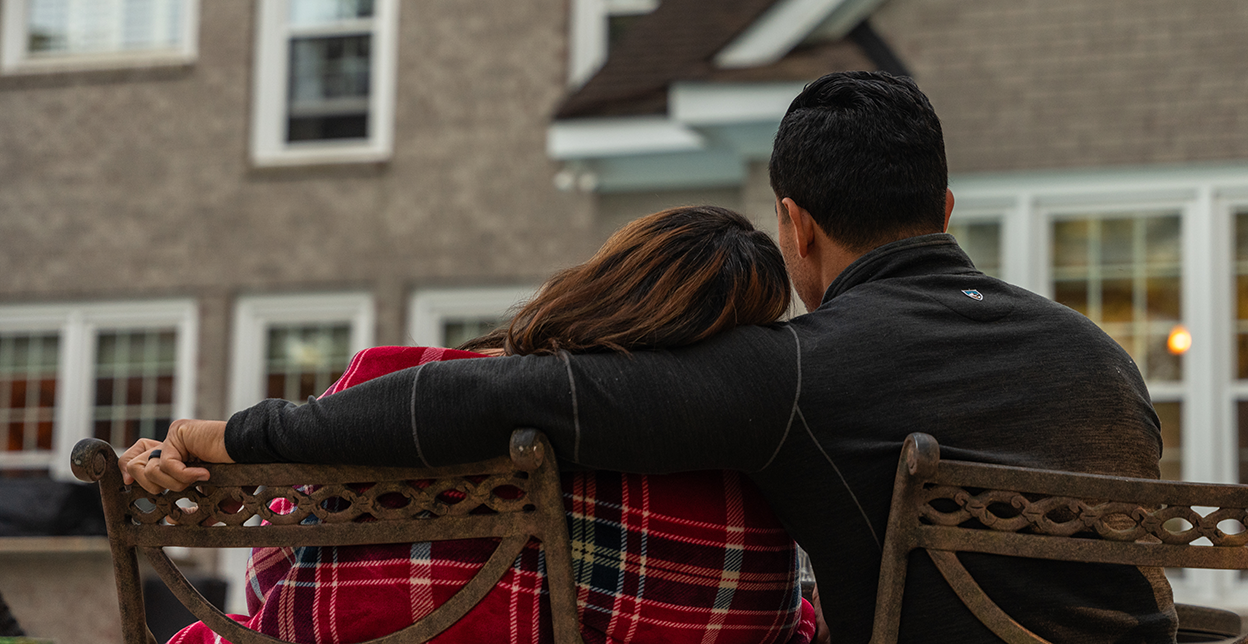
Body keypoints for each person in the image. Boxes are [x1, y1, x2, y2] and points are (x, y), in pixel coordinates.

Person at [127, 71, 1174, 643]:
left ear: (795, 226)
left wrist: (234, 434)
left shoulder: (800, 367)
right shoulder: (1103, 358)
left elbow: (486, 397)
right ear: (946, 209)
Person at [150, 206, 816, 644]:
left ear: (605, 286)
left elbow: (274, 582)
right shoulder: (752, 493)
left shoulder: (391, 385)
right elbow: (784, 622)